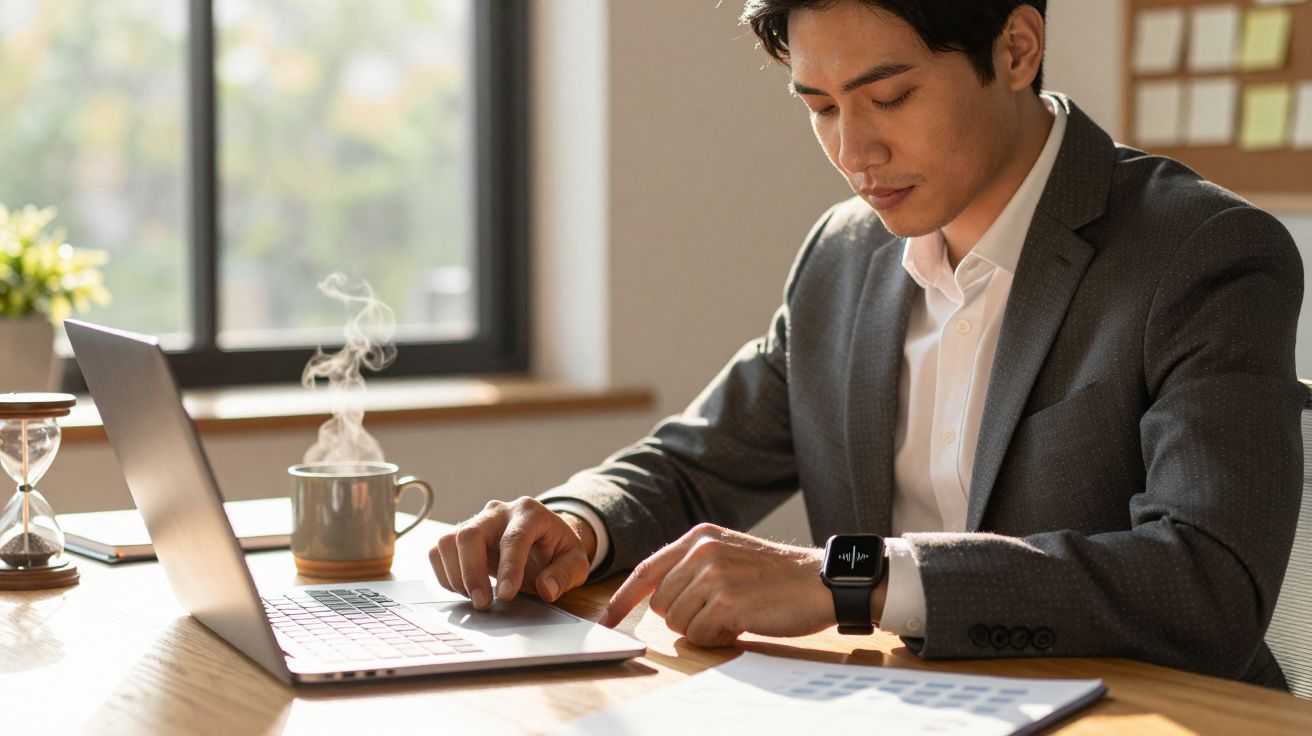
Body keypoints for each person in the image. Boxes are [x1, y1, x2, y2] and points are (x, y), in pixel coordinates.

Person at [429, 0, 1304, 689]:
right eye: (820, 106)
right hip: (894, 707)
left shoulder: (1202, 253)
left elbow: (1207, 582)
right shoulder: (843, 254)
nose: (855, 150)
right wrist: (574, 522)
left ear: (1016, 50)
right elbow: (698, 463)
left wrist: (851, 576)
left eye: (890, 98)